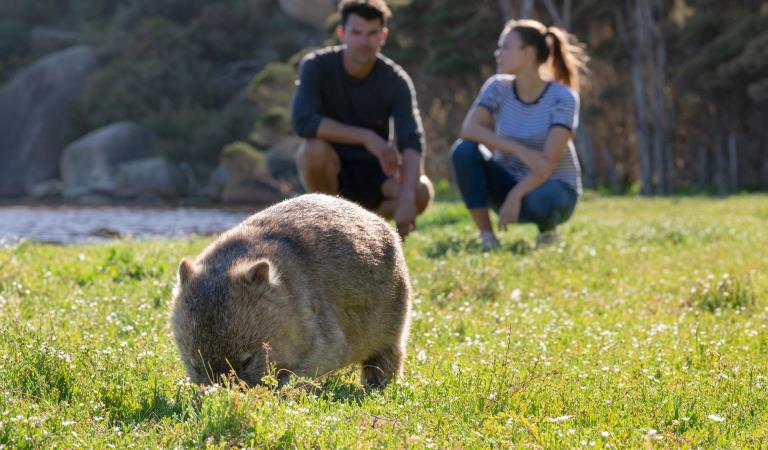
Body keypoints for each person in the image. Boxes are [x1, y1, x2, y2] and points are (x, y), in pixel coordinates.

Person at [291, 0, 433, 238]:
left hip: (377, 173)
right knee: (311, 150)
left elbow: (412, 139)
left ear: (383, 36)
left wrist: (407, 197)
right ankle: (330, 225)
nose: (364, 42)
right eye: (356, 33)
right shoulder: (316, 66)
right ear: (341, 33)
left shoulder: (396, 80)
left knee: (421, 191)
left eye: (371, 34)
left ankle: (362, 231)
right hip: (333, 169)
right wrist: (367, 137)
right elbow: (303, 121)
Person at [451, 19, 588, 251]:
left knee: (540, 200)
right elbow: (470, 129)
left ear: (528, 53)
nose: (498, 53)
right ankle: (487, 237)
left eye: (505, 47)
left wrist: (515, 195)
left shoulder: (563, 97)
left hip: (553, 188)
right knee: (464, 150)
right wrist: (519, 150)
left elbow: (547, 164)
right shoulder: (497, 87)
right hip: (508, 181)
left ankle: (547, 231)